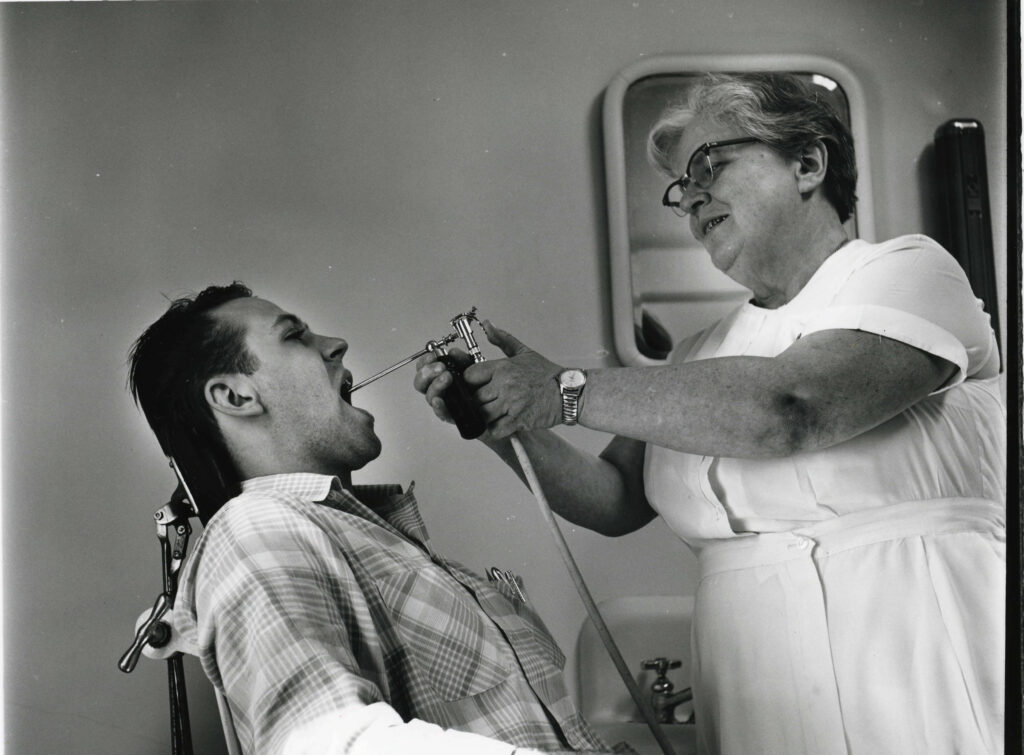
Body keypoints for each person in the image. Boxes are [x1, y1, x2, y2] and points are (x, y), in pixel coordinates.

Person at [415, 72, 1005, 754]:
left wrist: (562, 388)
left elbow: (792, 406)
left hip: (916, 665)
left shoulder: (910, 271)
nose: (691, 198)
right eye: (680, 188)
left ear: (808, 164)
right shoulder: (700, 353)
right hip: (761, 695)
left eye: (708, 165)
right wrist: (501, 419)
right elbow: (614, 498)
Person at [126, 282, 622, 755]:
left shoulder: (355, 536)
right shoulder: (255, 528)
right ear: (236, 398)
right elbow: (326, 743)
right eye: (295, 336)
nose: (337, 344)